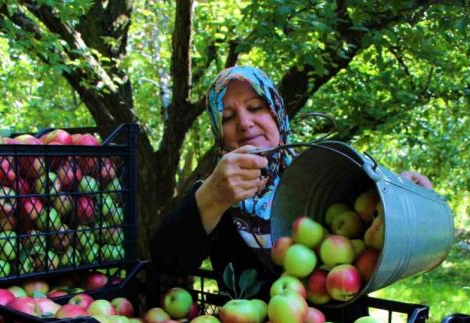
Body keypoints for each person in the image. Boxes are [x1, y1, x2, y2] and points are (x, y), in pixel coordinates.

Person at [149, 66, 431, 286]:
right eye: (227, 117)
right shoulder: (217, 191)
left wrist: (403, 195)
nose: (245, 123)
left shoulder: (326, 174)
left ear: (277, 114)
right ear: (219, 135)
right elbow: (168, 261)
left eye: (256, 107)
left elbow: (379, 226)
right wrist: (212, 196)